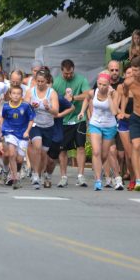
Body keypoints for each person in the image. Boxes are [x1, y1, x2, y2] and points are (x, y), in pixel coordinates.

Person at [79, 71, 121, 191]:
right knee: (96, 152)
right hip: (95, 124)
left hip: (109, 126)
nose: (102, 87)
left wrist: (109, 96)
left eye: (104, 85)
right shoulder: (93, 92)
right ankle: (98, 180)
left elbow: (114, 112)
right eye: (100, 84)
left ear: (109, 84)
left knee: (104, 154)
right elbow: (86, 99)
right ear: (97, 83)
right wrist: (82, 111)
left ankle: (105, 173)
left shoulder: (114, 94)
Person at [53, 59, 91, 187]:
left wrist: (74, 98)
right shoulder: (57, 82)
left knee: (80, 147)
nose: (68, 76)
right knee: (62, 149)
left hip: (79, 118)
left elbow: (87, 94)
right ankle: (63, 176)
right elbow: (51, 97)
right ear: (61, 71)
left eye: (70, 73)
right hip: (63, 119)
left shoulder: (81, 80)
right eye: (66, 74)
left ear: (73, 70)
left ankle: (80, 176)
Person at [24, 69, 59, 189]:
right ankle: (35, 174)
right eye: (38, 81)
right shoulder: (30, 92)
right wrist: (30, 106)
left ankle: (40, 173)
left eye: (42, 81)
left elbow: (56, 111)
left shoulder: (52, 93)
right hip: (35, 124)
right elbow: (24, 108)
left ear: (47, 81)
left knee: (43, 153)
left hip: (48, 126)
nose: (39, 83)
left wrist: (48, 107)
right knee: (37, 147)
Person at [0, 85, 35, 189]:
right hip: (10, 132)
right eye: (14, 93)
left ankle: (18, 172)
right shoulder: (6, 106)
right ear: (10, 95)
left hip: (22, 134)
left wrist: (27, 131)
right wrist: (2, 131)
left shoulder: (25, 106)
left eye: (18, 94)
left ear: (21, 95)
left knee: (19, 159)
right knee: (11, 153)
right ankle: (15, 178)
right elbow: (3, 118)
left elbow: (31, 119)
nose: (16, 96)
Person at [122, 57, 140, 190]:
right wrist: (122, 110)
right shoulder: (129, 82)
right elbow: (123, 94)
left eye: (136, 70)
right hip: (136, 117)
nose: (133, 73)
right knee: (136, 145)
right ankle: (138, 179)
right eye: (132, 70)